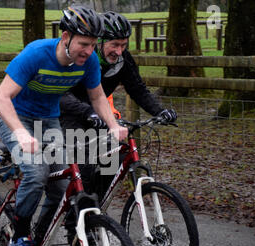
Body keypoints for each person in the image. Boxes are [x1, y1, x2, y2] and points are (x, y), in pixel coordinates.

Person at [0, 6, 128, 246]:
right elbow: (0, 98)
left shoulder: (88, 62)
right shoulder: (36, 53)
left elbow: (98, 97)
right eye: (83, 44)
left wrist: (113, 126)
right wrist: (20, 134)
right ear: (65, 36)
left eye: (92, 45)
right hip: (14, 116)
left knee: (60, 185)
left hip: (47, 119)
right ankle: (18, 239)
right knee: (37, 172)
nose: (89, 51)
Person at [59, 11, 177, 198]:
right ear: (99, 41)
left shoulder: (122, 60)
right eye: (114, 44)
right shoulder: (81, 57)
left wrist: (161, 111)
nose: (119, 51)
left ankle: (95, 209)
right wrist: (87, 112)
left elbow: (138, 90)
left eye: (123, 45)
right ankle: (76, 218)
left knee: (116, 158)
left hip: (99, 114)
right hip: (69, 114)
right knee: (84, 166)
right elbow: (61, 95)